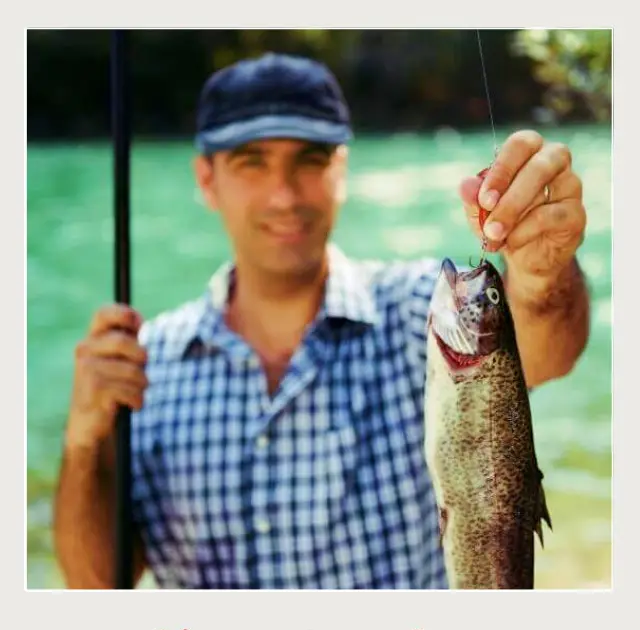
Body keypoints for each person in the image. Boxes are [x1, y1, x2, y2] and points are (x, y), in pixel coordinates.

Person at [53, 52, 590, 589]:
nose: (284, 195)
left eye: (310, 159)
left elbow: (549, 352)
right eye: (251, 161)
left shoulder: (416, 308)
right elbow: (98, 587)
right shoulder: (146, 364)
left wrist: (541, 276)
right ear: (206, 179)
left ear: (342, 169)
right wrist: (84, 440)